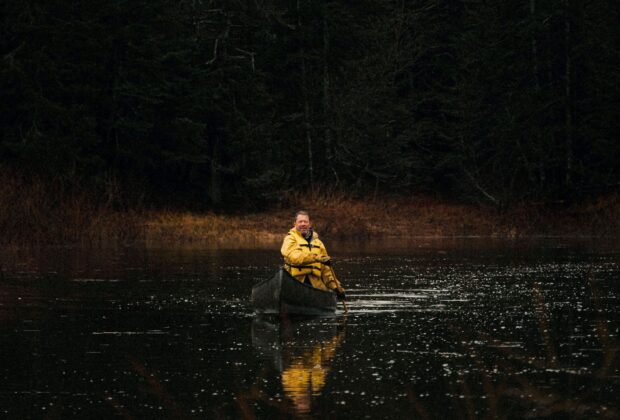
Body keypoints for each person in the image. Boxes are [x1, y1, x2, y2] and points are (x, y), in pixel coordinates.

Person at [281, 211, 346, 299]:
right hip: (295, 283)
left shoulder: (318, 243)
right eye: (300, 222)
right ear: (294, 223)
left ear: (309, 224)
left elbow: (326, 270)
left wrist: (336, 287)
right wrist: (316, 258)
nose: (303, 224)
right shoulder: (289, 239)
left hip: (316, 286)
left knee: (332, 290)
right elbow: (295, 257)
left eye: (305, 221)